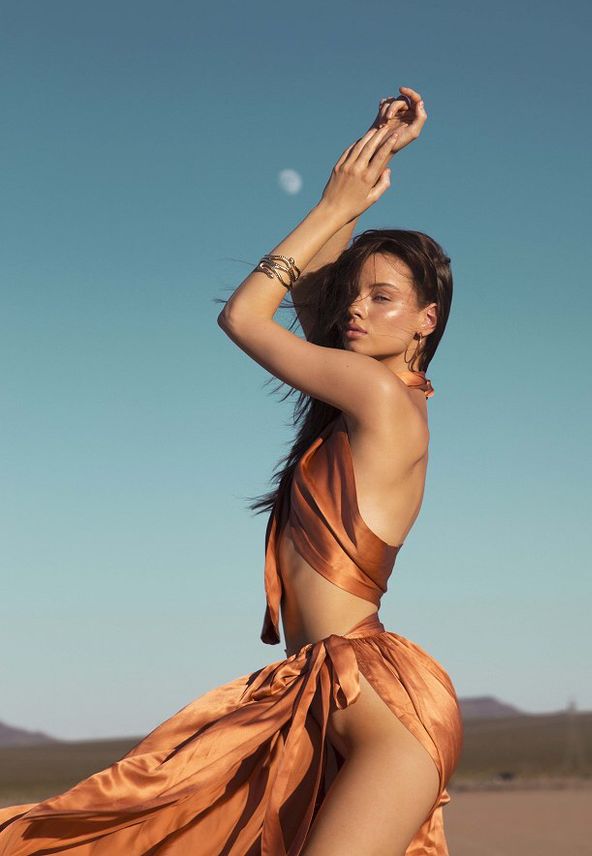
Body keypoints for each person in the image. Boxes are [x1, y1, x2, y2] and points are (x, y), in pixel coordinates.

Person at [0, 86, 463, 855]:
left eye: (383, 298)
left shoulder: (381, 395)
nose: (357, 309)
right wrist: (370, 159)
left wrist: (328, 205)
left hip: (384, 717)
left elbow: (245, 316)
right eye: (358, 296)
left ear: (426, 321)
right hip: (306, 696)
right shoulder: (353, 398)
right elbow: (315, 287)